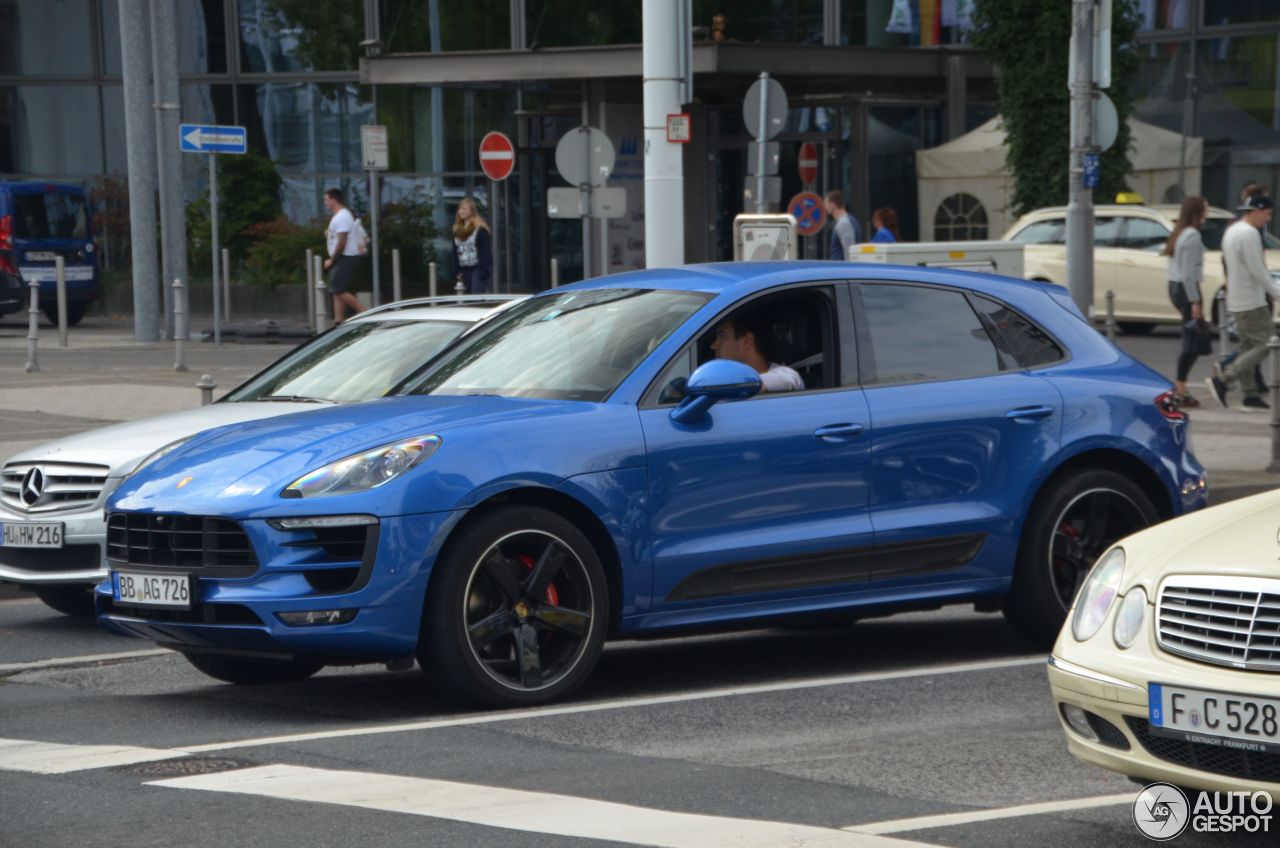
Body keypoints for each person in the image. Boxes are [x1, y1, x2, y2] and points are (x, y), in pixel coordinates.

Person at [1206, 193, 1280, 411]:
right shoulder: (1249, 234)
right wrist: (1276, 291)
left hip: (1238, 298)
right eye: (1267, 214)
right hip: (1252, 299)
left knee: (1248, 346)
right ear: (1256, 211)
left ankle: (1250, 395)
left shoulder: (1232, 231)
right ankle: (1224, 379)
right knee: (1266, 345)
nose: (1268, 219)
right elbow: (1258, 270)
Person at [1164, 195, 1208, 408]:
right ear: (1196, 212)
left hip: (1176, 287)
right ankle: (1180, 389)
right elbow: (1189, 274)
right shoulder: (1192, 236)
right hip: (1187, 290)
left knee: (1193, 337)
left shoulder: (1179, 232)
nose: (1207, 213)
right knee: (1192, 340)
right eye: (1205, 209)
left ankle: (1181, 387)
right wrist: (1195, 301)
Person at [709, 311, 803, 393]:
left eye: (722, 337)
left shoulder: (785, 374)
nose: (713, 346)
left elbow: (788, 380)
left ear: (746, 341)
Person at [322, 188, 366, 324]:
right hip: (343, 257)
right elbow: (338, 237)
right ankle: (338, 320)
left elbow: (342, 241)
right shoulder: (340, 216)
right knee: (336, 290)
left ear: (333, 200)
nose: (325, 203)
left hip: (345, 257)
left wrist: (332, 260)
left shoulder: (342, 216)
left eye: (326, 200)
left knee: (338, 288)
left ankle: (364, 312)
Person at [451, 197, 492, 294]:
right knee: (466, 298)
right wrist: (456, 270)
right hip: (464, 270)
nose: (461, 211)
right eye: (460, 209)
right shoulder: (456, 230)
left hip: (478, 268)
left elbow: (485, 251)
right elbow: (454, 251)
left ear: (472, 211)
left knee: (476, 296)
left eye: (464, 209)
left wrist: (483, 271)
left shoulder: (480, 230)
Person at [823, 190, 861, 260]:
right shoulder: (849, 220)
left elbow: (849, 250)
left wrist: (847, 269)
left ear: (833, 204)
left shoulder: (843, 223)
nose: (825, 207)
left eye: (826, 204)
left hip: (841, 268)